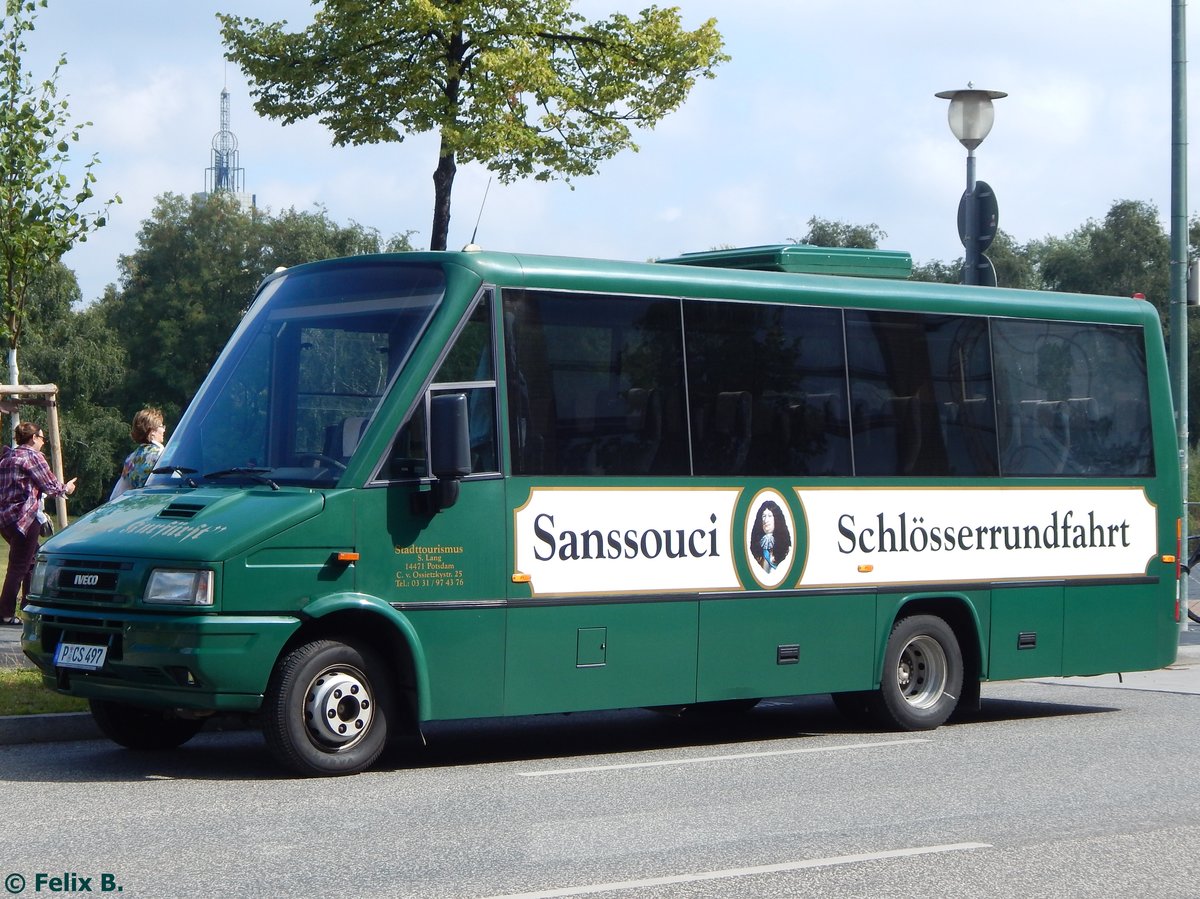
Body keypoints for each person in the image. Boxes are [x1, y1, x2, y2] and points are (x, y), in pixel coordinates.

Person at [0, 422, 77, 624]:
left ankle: (28, 607)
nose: (43, 442)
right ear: (33, 438)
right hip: (25, 518)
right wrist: (67, 488)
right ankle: (6, 614)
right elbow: (51, 486)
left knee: (32, 561)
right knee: (19, 566)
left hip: (5, 519)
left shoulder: (7, 457)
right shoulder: (33, 457)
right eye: (42, 438)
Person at [110, 407, 166, 501]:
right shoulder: (162, 453)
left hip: (136, 504)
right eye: (161, 426)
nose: (164, 430)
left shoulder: (131, 458)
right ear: (152, 432)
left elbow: (118, 493)